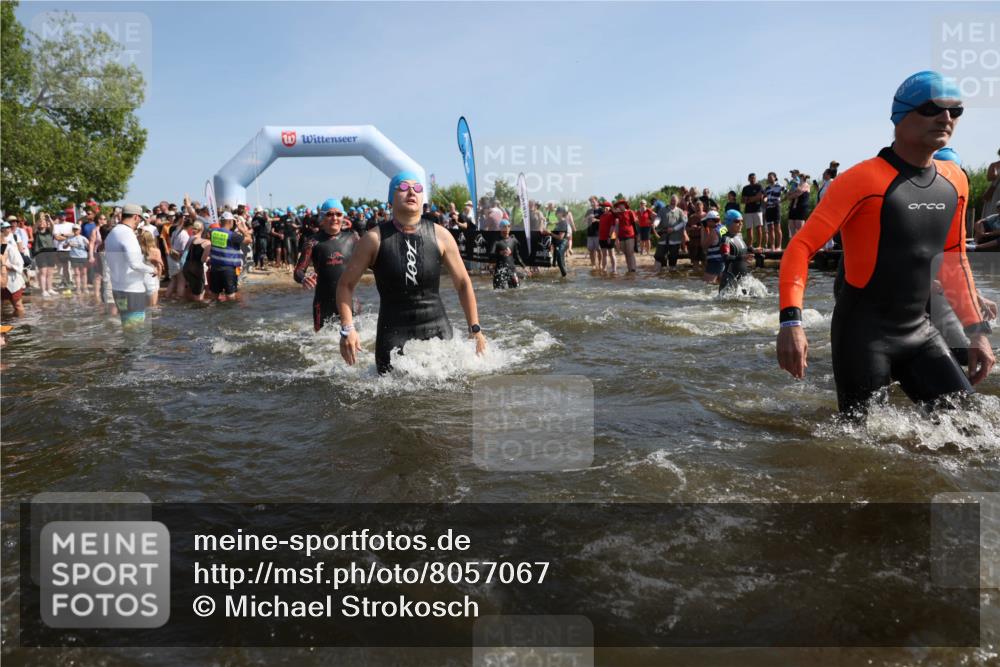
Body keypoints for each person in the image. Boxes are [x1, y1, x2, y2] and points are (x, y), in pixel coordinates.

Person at [777, 70, 994, 416]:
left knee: (975, 427)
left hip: (920, 332)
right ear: (900, 116)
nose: (945, 117)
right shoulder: (861, 180)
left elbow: (953, 259)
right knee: (864, 447)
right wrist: (791, 323)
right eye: (931, 107)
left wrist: (978, 333)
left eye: (956, 111)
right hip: (864, 335)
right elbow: (800, 247)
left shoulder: (956, 181)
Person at [336, 171, 487, 374]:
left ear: (422, 198)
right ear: (390, 199)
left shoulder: (441, 235)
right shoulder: (373, 239)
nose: (411, 192)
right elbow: (345, 285)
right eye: (403, 188)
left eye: (417, 188)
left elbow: (463, 284)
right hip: (392, 335)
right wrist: (348, 329)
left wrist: (475, 328)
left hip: (438, 331)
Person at [294, 199, 359, 332]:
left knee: (358, 342)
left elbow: (372, 262)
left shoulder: (353, 238)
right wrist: (304, 279)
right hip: (323, 304)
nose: (334, 218)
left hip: (350, 301)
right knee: (322, 345)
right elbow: (298, 271)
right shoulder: (312, 242)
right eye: (329, 214)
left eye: (338, 214)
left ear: (343, 218)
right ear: (322, 218)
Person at [104, 203, 155, 327]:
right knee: (136, 329)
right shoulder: (127, 234)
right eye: (139, 220)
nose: (139, 223)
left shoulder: (112, 233)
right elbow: (135, 263)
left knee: (127, 326)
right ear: (136, 217)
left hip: (118, 289)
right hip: (132, 291)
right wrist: (152, 269)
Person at [207, 211, 249, 302]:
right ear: (230, 222)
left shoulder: (213, 232)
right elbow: (249, 240)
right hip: (228, 269)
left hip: (215, 268)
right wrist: (241, 229)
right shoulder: (233, 235)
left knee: (214, 295)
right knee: (230, 296)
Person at [719, 209, 751, 293]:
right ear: (729, 223)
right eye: (737, 221)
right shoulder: (725, 239)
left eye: (742, 221)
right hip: (730, 279)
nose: (741, 224)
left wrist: (754, 251)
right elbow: (725, 257)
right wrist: (741, 258)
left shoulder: (739, 236)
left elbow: (742, 250)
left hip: (743, 279)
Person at [653, 195, 688, 271]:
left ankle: (672, 274)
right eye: (672, 200)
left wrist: (674, 229)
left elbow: (683, 222)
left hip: (675, 238)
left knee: (673, 258)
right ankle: (662, 272)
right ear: (670, 200)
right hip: (663, 237)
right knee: (660, 256)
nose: (673, 202)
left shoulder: (680, 211)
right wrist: (655, 224)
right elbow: (658, 218)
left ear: (677, 202)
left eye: (675, 200)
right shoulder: (663, 210)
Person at [1, 220, 26, 318]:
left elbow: (20, 265)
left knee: (18, 306)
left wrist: (5, 265)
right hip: (1, 281)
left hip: (12, 281)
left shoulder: (10, 248)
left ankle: (21, 325)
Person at [491, 220, 526, 288]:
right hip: (500, 271)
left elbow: (517, 256)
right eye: (504, 227)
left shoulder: (513, 240)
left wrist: (524, 267)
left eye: (508, 226)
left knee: (517, 290)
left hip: (511, 270)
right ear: (500, 228)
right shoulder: (496, 241)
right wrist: (500, 253)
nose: (507, 229)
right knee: (498, 292)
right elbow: (491, 254)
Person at [182, 221, 210, 301]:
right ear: (202, 229)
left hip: (186, 267)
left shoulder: (191, 239)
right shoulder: (206, 242)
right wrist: (209, 258)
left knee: (191, 289)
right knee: (199, 294)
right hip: (196, 268)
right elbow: (203, 259)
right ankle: (199, 311)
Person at [32, 213, 57, 297]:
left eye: (44, 222)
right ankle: (43, 290)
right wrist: (40, 219)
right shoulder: (36, 232)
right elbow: (34, 227)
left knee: (50, 273)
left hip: (51, 253)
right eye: (41, 222)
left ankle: (49, 289)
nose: (42, 223)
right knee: (43, 272)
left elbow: (53, 225)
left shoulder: (49, 231)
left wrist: (49, 217)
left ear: (47, 224)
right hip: (41, 253)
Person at [139, 230, 163, 307]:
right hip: (152, 276)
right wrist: (159, 277)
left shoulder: (139, 250)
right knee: (153, 305)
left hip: (141, 277)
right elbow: (159, 266)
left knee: (144, 304)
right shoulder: (156, 251)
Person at [613, 200, 638, 273]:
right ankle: (629, 269)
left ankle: (633, 269)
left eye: (621, 205)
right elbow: (611, 209)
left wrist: (638, 235)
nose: (620, 206)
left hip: (630, 234)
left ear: (624, 205)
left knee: (630, 252)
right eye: (619, 205)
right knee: (626, 253)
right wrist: (615, 237)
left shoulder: (630, 212)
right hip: (621, 236)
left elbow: (635, 222)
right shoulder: (618, 214)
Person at [741, 173, 765, 249]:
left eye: (754, 178)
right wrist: (754, 198)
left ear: (756, 178)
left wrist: (749, 199)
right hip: (748, 211)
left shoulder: (759, 186)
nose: (752, 179)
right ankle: (750, 245)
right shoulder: (745, 188)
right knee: (749, 229)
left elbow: (760, 197)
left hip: (758, 210)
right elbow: (743, 200)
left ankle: (759, 245)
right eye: (751, 178)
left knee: (758, 228)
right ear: (748, 179)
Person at [700, 210, 725, 284]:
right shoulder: (723, 228)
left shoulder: (714, 232)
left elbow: (704, 246)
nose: (706, 223)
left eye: (707, 221)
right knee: (720, 285)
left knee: (706, 285)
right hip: (723, 260)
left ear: (711, 221)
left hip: (714, 262)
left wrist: (703, 230)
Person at [66, 224, 90, 291]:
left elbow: (89, 247)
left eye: (77, 229)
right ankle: (78, 288)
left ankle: (85, 287)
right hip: (74, 257)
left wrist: (88, 245)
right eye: (74, 229)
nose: (75, 230)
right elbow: (64, 246)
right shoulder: (70, 238)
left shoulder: (83, 238)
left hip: (83, 256)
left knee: (84, 273)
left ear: (80, 230)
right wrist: (68, 244)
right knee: (77, 273)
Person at [597, 200, 618, 273]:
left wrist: (609, 236)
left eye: (605, 206)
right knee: (604, 254)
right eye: (603, 207)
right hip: (602, 237)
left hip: (610, 237)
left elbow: (613, 226)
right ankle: (604, 269)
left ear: (609, 207)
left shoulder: (612, 215)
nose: (604, 208)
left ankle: (614, 269)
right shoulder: (602, 216)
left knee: (611, 254)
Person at [551, 207, 570, 277]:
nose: (556, 213)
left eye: (558, 212)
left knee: (559, 258)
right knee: (559, 261)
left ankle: (565, 276)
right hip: (558, 244)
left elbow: (560, 237)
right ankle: (564, 277)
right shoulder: (559, 222)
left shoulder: (563, 223)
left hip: (563, 243)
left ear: (562, 213)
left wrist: (549, 233)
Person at [584, 196, 602, 268]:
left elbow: (605, 221)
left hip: (598, 233)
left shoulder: (601, 210)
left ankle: (600, 264)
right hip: (590, 233)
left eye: (593, 201)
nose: (592, 203)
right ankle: (593, 264)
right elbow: (584, 221)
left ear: (597, 201)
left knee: (599, 250)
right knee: (591, 250)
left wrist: (596, 220)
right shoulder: (589, 211)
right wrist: (588, 218)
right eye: (590, 202)